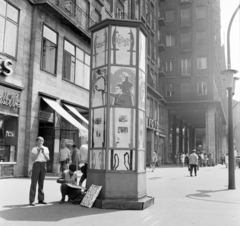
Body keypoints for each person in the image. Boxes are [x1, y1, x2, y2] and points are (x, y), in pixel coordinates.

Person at [29, 136, 50, 206]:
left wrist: (43, 152)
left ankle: (41, 199)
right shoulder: (34, 149)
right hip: (36, 164)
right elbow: (33, 159)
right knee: (34, 182)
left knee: (41, 182)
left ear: (43, 142)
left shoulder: (46, 148)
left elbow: (48, 159)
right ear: (36, 142)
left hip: (43, 164)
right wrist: (38, 152)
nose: (39, 142)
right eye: (38, 141)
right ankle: (32, 200)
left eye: (41, 141)